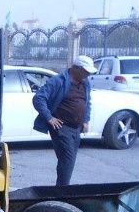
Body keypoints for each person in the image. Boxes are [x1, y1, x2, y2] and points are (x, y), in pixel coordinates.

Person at [32, 55, 98, 187]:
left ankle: (61, 189)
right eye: (85, 71)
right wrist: (49, 118)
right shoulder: (58, 81)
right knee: (67, 159)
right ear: (76, 68)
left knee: (69, 160)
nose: (87, 75)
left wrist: (85, 120)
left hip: (76, 128)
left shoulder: (85, 83)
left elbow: (87, 102)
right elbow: (38, 98)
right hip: (62, 127)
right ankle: (62, 190)